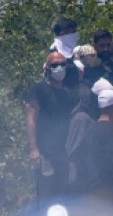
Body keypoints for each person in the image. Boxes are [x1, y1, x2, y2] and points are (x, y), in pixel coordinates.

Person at [25, 52, 76, 198]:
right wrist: (34, 148)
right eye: (55, 65)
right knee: (45, 192)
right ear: (47, 67)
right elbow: (31, 119)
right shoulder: (38, 90)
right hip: (44, 152)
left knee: (62, 191)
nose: (59, 68)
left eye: (62, 64)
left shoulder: (67, 94)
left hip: (62, 152)